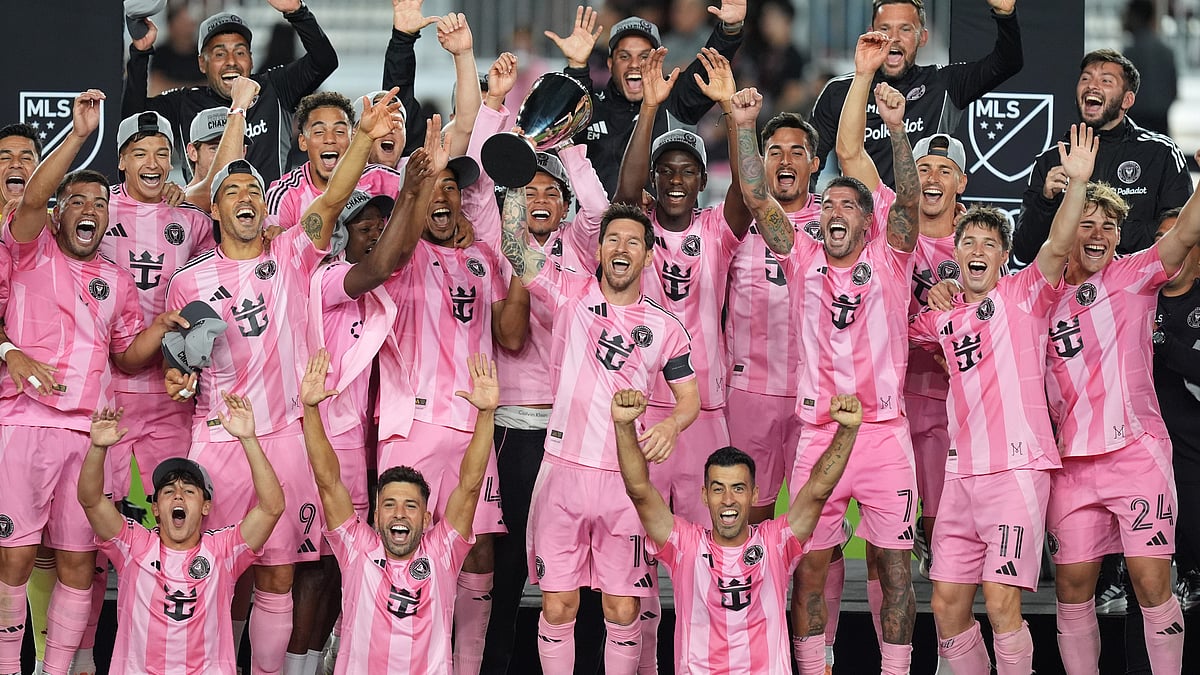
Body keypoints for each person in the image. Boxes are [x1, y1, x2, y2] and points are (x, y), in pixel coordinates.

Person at [162, 92, 403, 675]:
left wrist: (365, 138)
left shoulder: (294, 251)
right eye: (232, 193)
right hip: (218, 441)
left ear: (265, 208)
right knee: (212, 569)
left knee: (277, 574)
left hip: (286, 438)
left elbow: (334, 197)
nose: (244, 199)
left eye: (252, 191)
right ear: (215, 211)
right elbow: (177, 363)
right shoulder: (188, 281)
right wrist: (175, 378)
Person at [740, 35, 922, 672]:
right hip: (818, 435)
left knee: (895, 568)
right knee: (810, 566)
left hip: (883, 434)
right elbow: (760, 198)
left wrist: (896, 130)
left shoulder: (892, 260)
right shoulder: (803, 257)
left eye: (852, 205)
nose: (836, 212)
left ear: (871, 222)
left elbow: (909, 204)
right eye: (831, 205)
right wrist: (742, 126)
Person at [0, 89, 187, 675]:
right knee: (17, 556)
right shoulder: (27, 248)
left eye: (100, 203)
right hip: (23, 424)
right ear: (57, 212)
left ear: (108, 218)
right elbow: (31, 197)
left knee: (79, 563)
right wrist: (80, 135)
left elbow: (128, 358)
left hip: (89, 437)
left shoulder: (114, 277)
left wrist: (160, 328)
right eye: (76, 200)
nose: (90, 209)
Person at [909, 124, 1094, 673]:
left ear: (1005, 256)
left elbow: (1059, 244)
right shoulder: (940, 315)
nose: (978, 249)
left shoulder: (1024, 293)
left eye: (991, 243)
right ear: (956, 253)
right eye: (968, 241)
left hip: (1015, 471)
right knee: (945, 602)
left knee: (1002, 602)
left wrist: (1078, 185)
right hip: (960, 472)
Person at [499, 200, 699, 674]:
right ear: (600, 250)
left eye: (633, 240)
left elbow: (688, 398)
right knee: (557, 607)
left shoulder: (666, 328)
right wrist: (514, 173)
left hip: (624, 483)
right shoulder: (570, 293)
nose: (622, 247)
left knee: (622, 610)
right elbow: (514, 246)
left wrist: (671, 424)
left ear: (649, 255)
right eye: (613, 239)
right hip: (562, 472)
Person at [375, 91, 528, 674]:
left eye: (452, 187)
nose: (445, 194)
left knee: (478, 548)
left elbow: (512, 337)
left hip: (471, 427)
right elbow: (391, 251)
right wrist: (414, 190)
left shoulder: (484, 255)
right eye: (433, 184)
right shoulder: (400, 252)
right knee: (404, 541)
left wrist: (519, 272)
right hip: (410, 428)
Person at [1045, 149, 1200, 673]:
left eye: (1109, 225)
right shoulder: (1036, 294)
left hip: (1137, 458)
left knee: (1153, 584)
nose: (1098, 233)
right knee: (1071, 592)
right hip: (1070, 466)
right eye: (1086, 222)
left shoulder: (1136, 274)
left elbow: (1183, 234)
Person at [614, 389, 862, 675]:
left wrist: (847, 430)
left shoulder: (775, 543)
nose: (728, 499)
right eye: (718, 489)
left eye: (738, 488)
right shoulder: (685, 545)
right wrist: (623, 425)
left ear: (754, 495)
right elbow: (640, 491)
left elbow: (818, 490)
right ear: (705, 496)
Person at [298, 349, 500, 675]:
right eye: (389, 505)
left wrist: (486, 415)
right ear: (376, 517)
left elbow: (470, 485)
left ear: (426, 517)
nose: (399, 514)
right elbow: (328, 481)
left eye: (410, 506)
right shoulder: (357, 549)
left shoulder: (442, 552)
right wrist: (310, 410)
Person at [76, 395, 284, 675]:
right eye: (168, 491)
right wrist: (98, 448)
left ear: (205, 506)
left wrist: (248, 438)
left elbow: (272, 508)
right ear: (156, 508)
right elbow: (90, 500)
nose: (178, 495)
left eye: (189, 491)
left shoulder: (223, 550)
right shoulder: (133, 544)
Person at [810, 0, 1021, 188]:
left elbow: (1007, 63)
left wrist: (1005, 16)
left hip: (925, 222)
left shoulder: (944, 84)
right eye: (885, 29)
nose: (893, 39)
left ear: (923, 37)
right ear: (870, 33)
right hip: (862, 223)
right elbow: (810, 164)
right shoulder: (839, 92)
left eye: (905, 29)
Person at [123, 1, 338, 183]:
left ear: (251, 60)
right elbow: (133, 118)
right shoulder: (184, 103)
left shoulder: (274, 88)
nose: (231, 62)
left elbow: (325, 61)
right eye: (219, 54)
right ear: (202, 64)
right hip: (202, 226)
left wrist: (297, 11)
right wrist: (140, 54)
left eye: (240, 52)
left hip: (270, 223)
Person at [550, 1, 747, 195]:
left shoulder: (675, 99)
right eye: (624, 57)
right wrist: (577, 67)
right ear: (610, 64)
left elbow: (707, 69)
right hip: (600, 226)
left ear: (658, 62)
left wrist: (729, 30)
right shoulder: (593, 107)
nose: (634, 65)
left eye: (644, 57)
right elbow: (566, 122)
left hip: (663, 227)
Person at [1015, 48, 1191, 261]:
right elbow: (1024, 251)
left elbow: (1180, 234)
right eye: (1086, 78)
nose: (1092, 85)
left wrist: (1092, 234)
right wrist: (1046, 201)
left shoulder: (1161, 153)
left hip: (1141, 287)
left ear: (1127, 100)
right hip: (1067, 290)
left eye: (1106, 81)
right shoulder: (1052, 160)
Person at [1152, 209, 1200, 615]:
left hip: (1192, 445)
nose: (1175, 247)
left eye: (1182, 238)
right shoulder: (1135, 296)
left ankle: (1192, 570)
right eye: (1163, 239)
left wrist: (1163, 343)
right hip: (1141, 448)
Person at [265, 91, 403, 230]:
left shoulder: (380, 179)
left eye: (340, 131)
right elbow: (277, 249)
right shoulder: (283, 194)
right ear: (303, 142)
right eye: (319, 132)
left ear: (352, 137)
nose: (330, 139)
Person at [1122, 0, 1177, 136]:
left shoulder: (1130, 53)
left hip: (1137, 119)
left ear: (1135, 17)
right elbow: (1173, 89)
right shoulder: (1166, 51)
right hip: (1161, 119)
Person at [0, 124, 41, 220]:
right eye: (5, 158)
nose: (16, 164)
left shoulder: (57, 222)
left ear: (40, 169)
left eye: (26, 158)